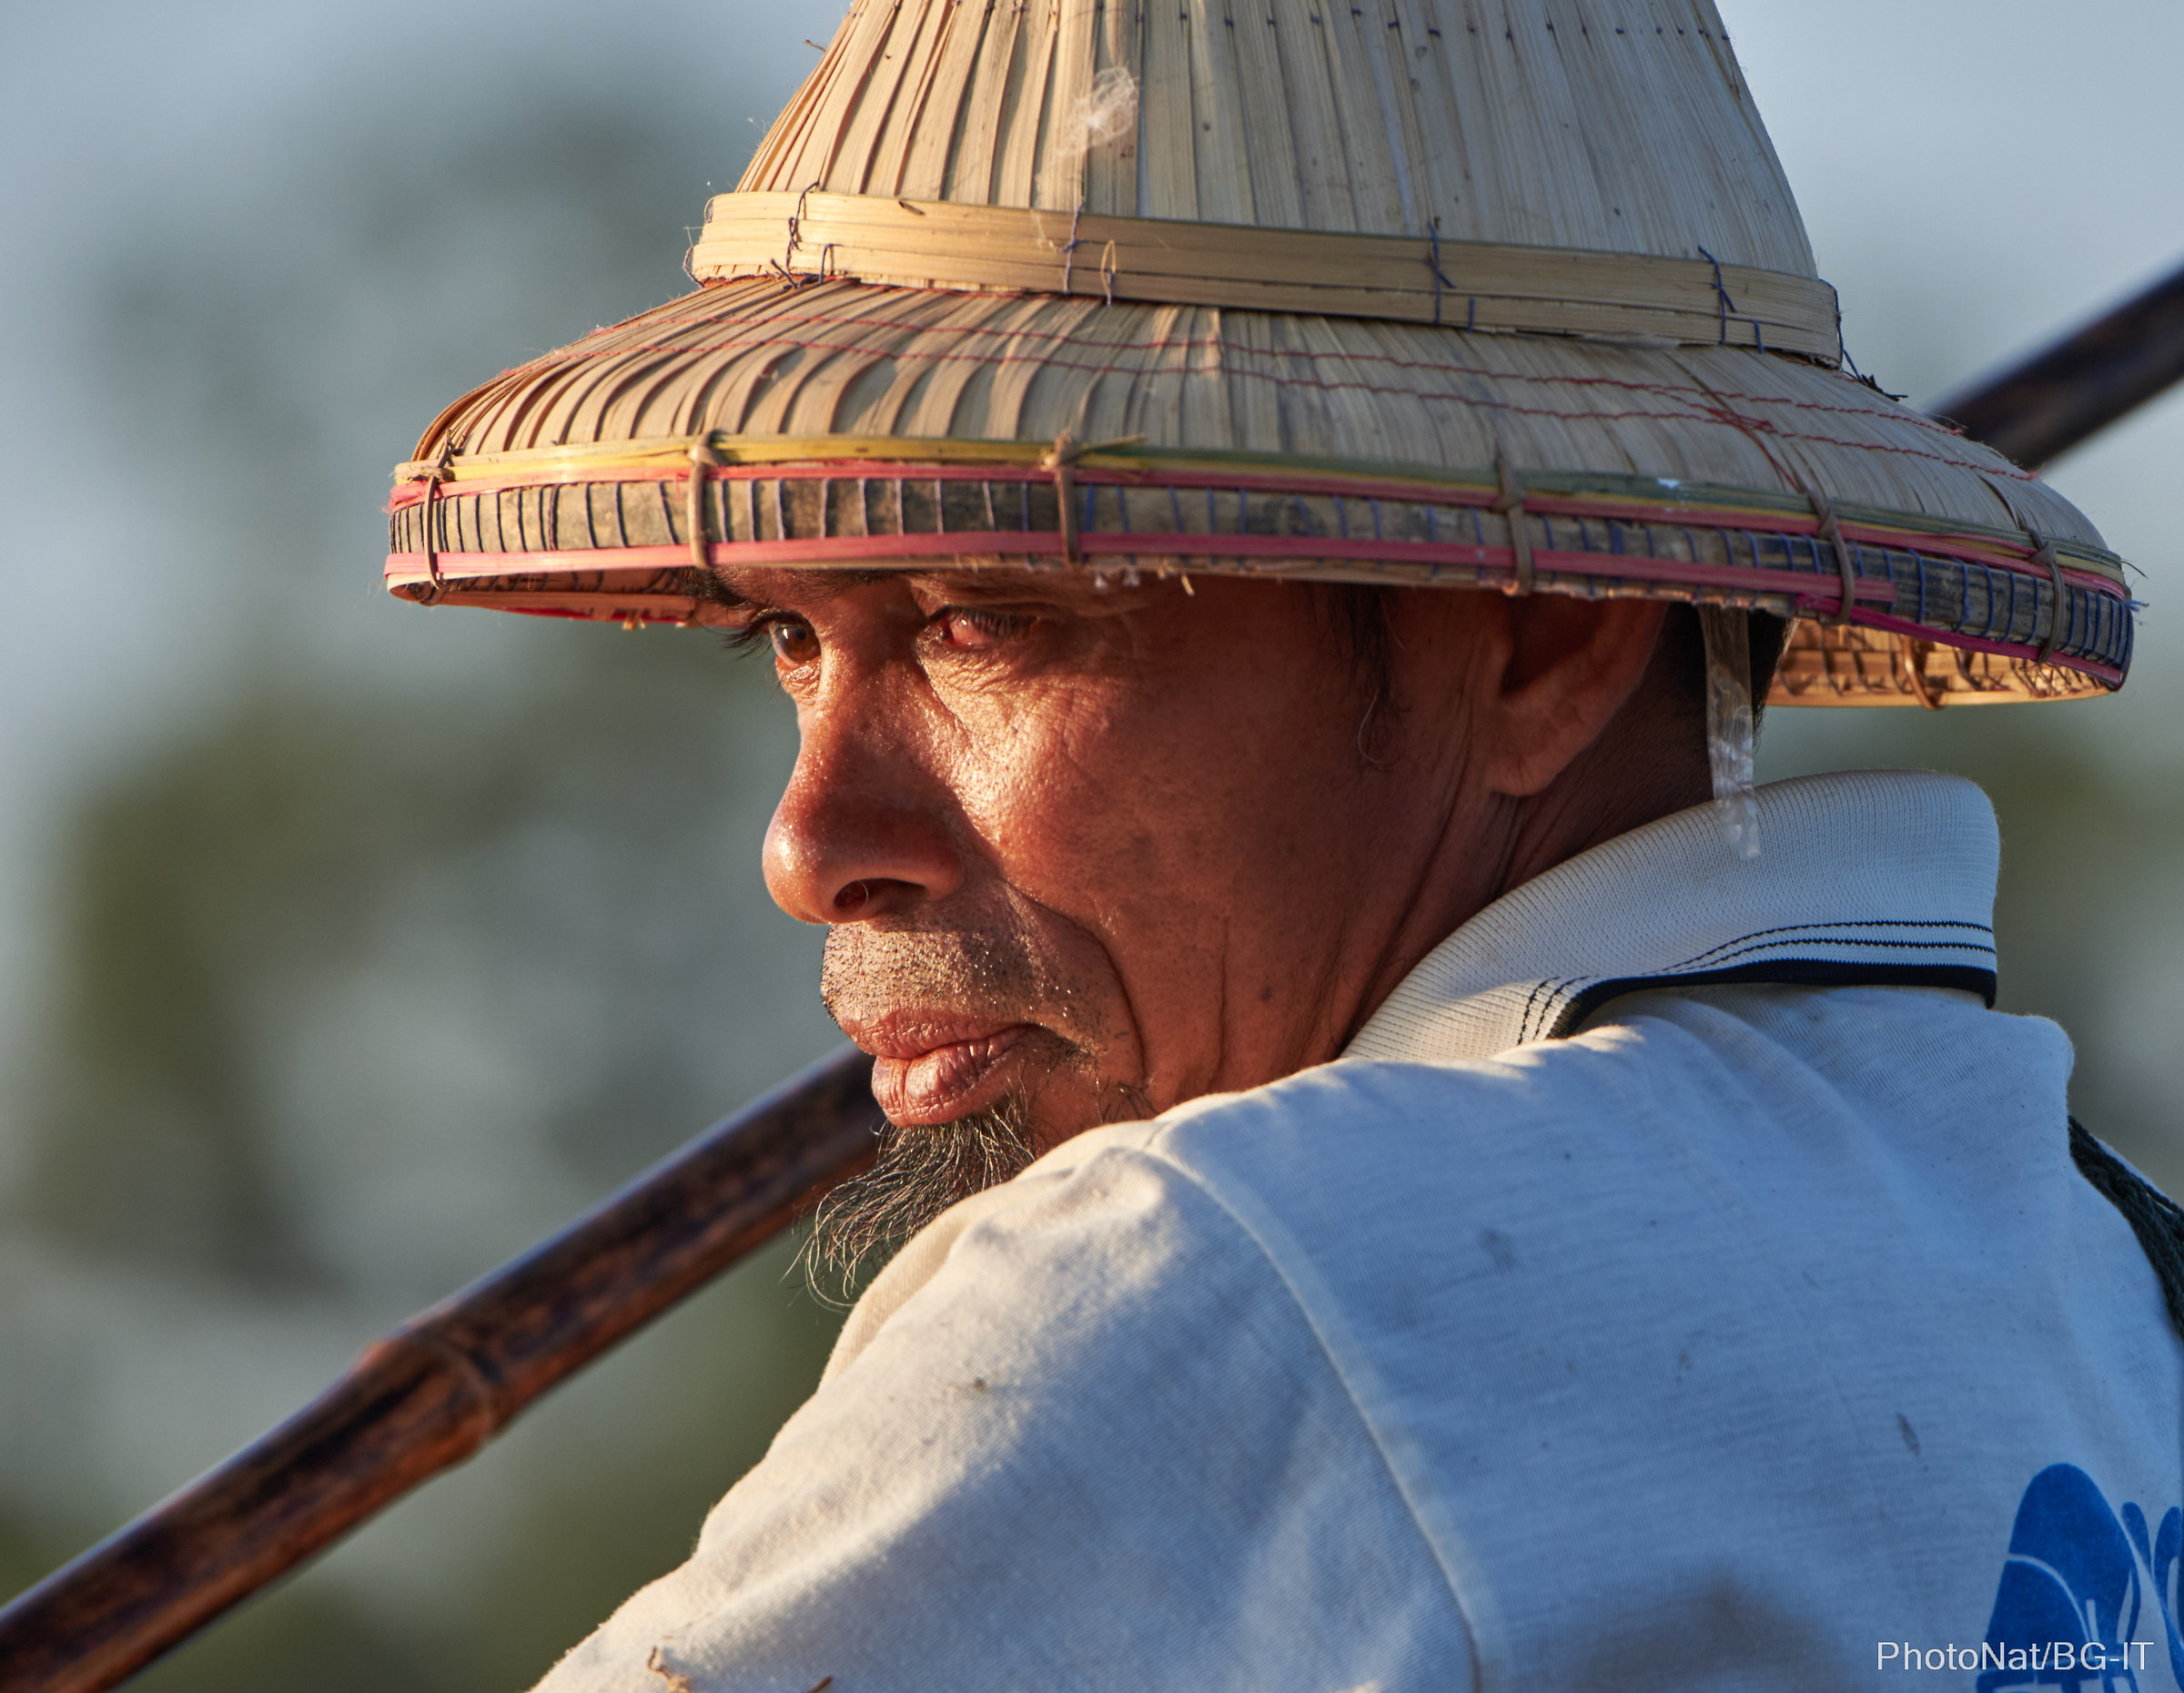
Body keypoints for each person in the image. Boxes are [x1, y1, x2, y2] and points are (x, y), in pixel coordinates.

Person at [385, 1, 2176, 1686]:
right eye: (787, 641)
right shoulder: (2112, 1291)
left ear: (1547, 631)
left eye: (977, 625)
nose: (811, 842)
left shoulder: (1222, 1271)